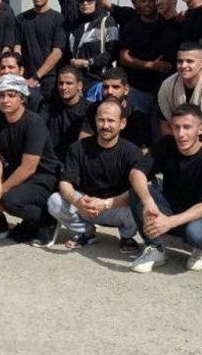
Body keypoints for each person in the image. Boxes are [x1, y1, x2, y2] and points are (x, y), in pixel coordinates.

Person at [0, 74, 61, 246]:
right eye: (1, 95)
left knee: (10, 200)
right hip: (17, 171)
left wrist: (2, 191)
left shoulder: (34, 123)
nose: (5, 100)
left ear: (22, 98)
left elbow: (29, 167)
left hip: (43, 176)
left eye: (11, 95)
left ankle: (47, 221)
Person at [128, 103, 202, 273]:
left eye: (187, 127)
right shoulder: (166, 144)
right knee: (138, 189)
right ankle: (155, 248)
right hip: (172, 208)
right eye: (176, 127)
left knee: (195, 233)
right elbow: (136, 173)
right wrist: (148, 202)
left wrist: (169, 222)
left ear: (200, 129)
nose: (181, 134)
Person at [47, 98, 142, 252]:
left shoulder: (132, 152)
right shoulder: (78, 147)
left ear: (122, 123)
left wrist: (106, 204)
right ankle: (86, 232)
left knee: (141, 202)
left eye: (111, 121)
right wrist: (77, 201)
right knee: (54, 201)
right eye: (101, 120)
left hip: (116, 207)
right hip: (86, 204)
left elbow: (138, 190)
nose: (105, 126)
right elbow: (65, 182)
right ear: (95, 121)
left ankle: (127, 236)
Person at [117, 0, 171, 113]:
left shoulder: (167, 24)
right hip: (137, 89)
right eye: (143, 1)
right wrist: (151, 66)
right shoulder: (130, 27)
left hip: (163, 89)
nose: (147, 4)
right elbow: (124, 58)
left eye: (151, 0)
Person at [157, 42, 202, 135]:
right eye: (180, 61)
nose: (183, 66)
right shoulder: (167, 85)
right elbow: (165, 126)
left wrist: (194, 148)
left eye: (189, 61)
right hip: (175, 140)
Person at [14, 0, 66, 95]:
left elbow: (57, 52)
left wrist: (37, 76)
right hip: (25, 78)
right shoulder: (21, 19)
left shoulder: (57, 19)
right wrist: (18, 74)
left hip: (49, 79)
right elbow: (17, 48)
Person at [79, 68, 152, 151]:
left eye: (115, 87)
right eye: (106, 87)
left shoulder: (137, 115)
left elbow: (145, 150)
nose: (110, 91)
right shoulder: (94, 109)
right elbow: (83, 142)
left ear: (126, 90)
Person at [65, 0, 117, 91]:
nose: (85, 3)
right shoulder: (75, 26)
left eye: (89, 0)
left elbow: (113, 52)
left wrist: (87, 62)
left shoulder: (107, 21)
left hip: (99, 81)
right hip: (78, 83)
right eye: (81, 1)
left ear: (96, 2)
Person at [0, 51, 46, 122]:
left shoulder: (34, 97)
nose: (6, 71)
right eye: (3, 68)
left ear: (21, 70)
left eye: (11, 67)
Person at [44, 66, 88, 161]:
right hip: (51, 159)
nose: (63, 87)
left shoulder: (89, 108)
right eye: (60, 83)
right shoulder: (49, 106)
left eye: (69, 83)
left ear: (79, 85)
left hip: (76, 160)